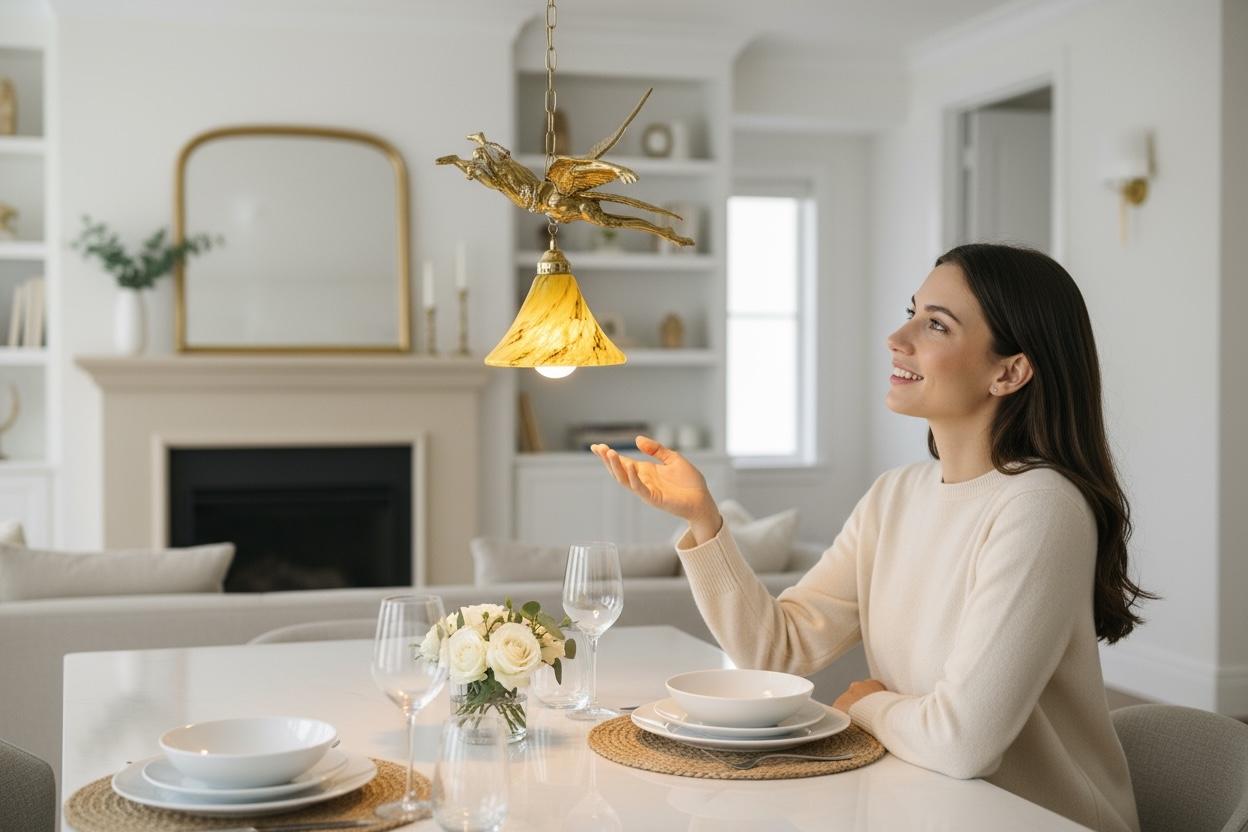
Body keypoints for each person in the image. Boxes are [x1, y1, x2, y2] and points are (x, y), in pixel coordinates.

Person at [591, 243, 1151, 832]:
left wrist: (866, 705)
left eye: (935, 324)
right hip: (927, 803)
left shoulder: (1040, 507)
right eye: (912, 311)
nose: (897, 337)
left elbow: (963, 743)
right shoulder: (895, 495)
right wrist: (703, 520)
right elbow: (777, 651)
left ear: (1008, 371)